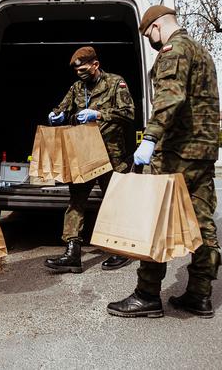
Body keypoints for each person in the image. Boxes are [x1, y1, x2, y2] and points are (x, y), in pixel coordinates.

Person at [107, 5, 222, 319]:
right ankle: (200, 295)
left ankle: (147, 295)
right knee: (202, 221)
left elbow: (170, 97)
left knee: (154, 219)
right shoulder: (202, 52)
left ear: (157, 26)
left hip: (176, 153)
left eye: (148, 36)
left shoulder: (173, 51)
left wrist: (150, 138)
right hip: (203, 153)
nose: (151, 42)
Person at [44, 46, 135, 273]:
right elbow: (62, 107)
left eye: (84, 69)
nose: (80, 74)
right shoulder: (77, 88)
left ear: (95, 64)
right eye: (77, 71)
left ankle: (120, 251)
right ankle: (72, 253)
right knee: (76, 201)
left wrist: (99, 114)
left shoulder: (115, 83)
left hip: (111, 155)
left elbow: (129, 113)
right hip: (84, 153)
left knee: (114, 201)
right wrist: (56, 115)